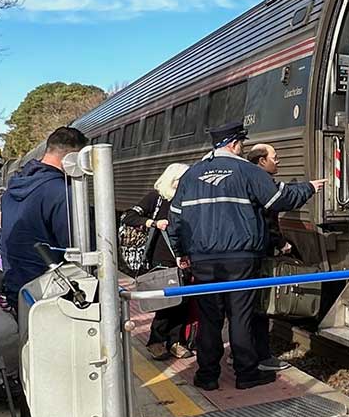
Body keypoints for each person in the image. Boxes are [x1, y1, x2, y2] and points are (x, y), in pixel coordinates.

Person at [169, 122, 320, 390]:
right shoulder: (247, 170)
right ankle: (246, 374)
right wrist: (308, 188)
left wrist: (182, 252)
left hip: (202, 259)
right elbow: (278, 199)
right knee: (241, 315)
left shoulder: (190, 176)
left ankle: (207, 377)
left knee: (209, 318)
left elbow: (176, 220)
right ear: (235, 144)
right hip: (240, 258)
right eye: (242, 144)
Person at [0, 125, 88, 307]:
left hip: (19, 288)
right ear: (72, 158)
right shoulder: (61, 193)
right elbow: (78, 248)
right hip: (53, 294)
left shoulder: (12, 189)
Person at [136, 162, 194, 362]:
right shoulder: (156, 199)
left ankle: (176, 342)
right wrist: (153, 223)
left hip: (184, 257)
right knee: (167, 303)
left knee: (183, 302)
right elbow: (129, 216)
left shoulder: (187, 200)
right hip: (162, 258)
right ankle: (156, 341)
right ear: (173, 180)